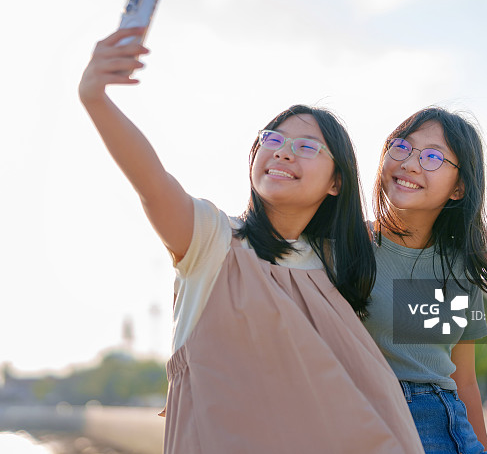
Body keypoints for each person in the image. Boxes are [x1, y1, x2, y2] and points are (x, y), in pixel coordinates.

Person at [78, 26, 425, 453]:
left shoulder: (339, 262)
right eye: (273, 140)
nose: (281, 152)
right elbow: (152, 184)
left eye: (306, 147)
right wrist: (96, 99)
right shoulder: (213, 241)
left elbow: (433, 275)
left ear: (337, 181)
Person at [363, 107, 487, 454]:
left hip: (453, 429)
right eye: (401, 147)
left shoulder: (460, 268)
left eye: (431, 157)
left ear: (458, 188)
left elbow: (464, 381)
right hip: (379, 424)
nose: (410, 163)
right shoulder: (350, 247)